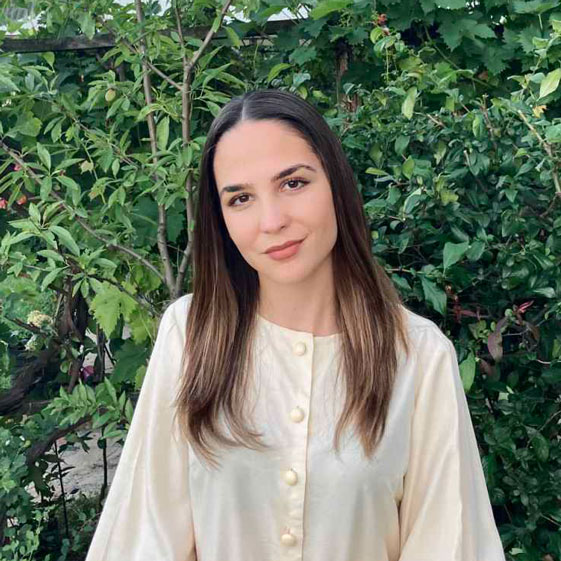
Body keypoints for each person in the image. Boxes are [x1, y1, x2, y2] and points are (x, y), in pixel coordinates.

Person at [85, 89, 506, 561]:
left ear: (336, 184)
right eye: (241, 198)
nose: (271, 221)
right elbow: (146, 536)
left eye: (293, 183)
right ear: (221, 219)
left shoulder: (419, 357)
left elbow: (448, 542)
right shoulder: (189, 334)